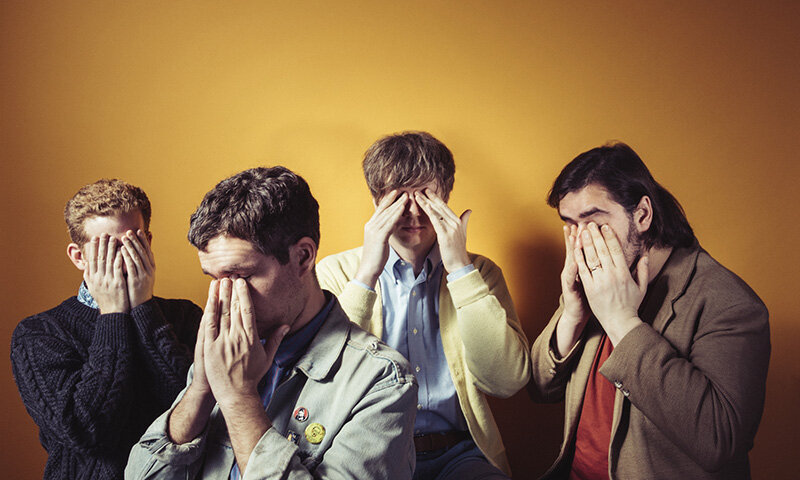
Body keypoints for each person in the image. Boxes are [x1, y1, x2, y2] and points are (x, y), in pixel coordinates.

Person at [126, 166, 418, 479]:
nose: (225, 298)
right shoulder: (222, 353)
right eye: (214, 278)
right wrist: (201, 389)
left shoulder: (383, 381)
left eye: (240, 276)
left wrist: (239, 399)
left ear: (303, 257)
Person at [528, 142, 770, 479]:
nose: (582, 241)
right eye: (570, 224)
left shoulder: (729, 303)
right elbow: (541, 389)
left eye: (594, 222)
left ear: (642, 215)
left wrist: (622, 321)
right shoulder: (594, 279)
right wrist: (572, 314)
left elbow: (719, 441)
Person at [317, 131, 530, 479]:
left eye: (427, 197)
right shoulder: (335, 272)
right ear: (376, 202)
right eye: (399, 199)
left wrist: (460, 268)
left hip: (459, 453)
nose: (414, 213)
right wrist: (367, 274)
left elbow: (505, 381)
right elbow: (324, 383)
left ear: (445, 197)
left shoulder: (481, 272)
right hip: (371, 452)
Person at [11, 179, 201, 480]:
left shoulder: (184, 316)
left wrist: (144, 309)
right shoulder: (39, 334)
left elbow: (195, 408)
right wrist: (112, 315)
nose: (123, 259)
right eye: (108, 248)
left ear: (148, 242)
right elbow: (87, 432)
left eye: (132, 243)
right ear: (78, 257)